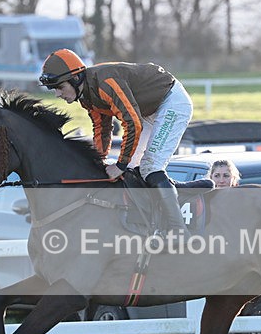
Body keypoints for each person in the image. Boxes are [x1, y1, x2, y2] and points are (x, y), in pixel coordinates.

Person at [40, 49, 193, 232]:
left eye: (59, 87)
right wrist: (98, 161)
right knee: (132, 170)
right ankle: (147, 223)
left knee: (150, 167)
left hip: (171, 103)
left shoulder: (106, 83)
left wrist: (120, 163)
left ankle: (178, 229)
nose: (58, 94)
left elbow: (132, 123)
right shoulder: (86, 97)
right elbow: (102, 129)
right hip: (146, 110)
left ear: (75, 78)